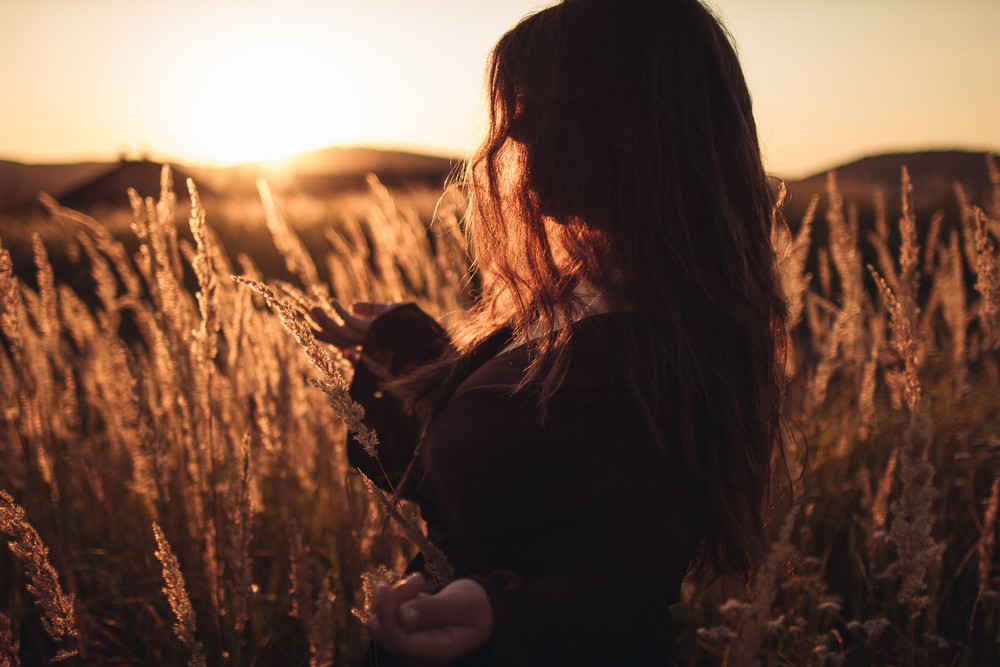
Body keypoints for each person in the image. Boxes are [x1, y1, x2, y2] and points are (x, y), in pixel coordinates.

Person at [312, 0, 789, 664]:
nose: (517, 135)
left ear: (629, 121)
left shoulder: (659, 350)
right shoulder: (587, 293)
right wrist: (412, 346)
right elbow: (516, 468)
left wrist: (503, 614)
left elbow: (630, 594)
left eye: (539, 104)